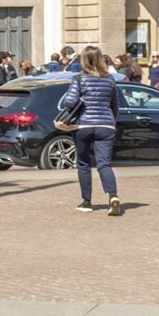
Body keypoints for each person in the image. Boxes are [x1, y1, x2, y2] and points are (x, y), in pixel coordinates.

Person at [64, 45, 122, 215]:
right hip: (106, 125)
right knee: (104, 164)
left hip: (84, 125)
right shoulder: (110, 79)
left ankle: (86, 202)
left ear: (84, 60)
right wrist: (112, 121)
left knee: (83, 163)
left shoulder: (79, 79)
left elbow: (69, 102)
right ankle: (113, 196)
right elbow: (115, 105)